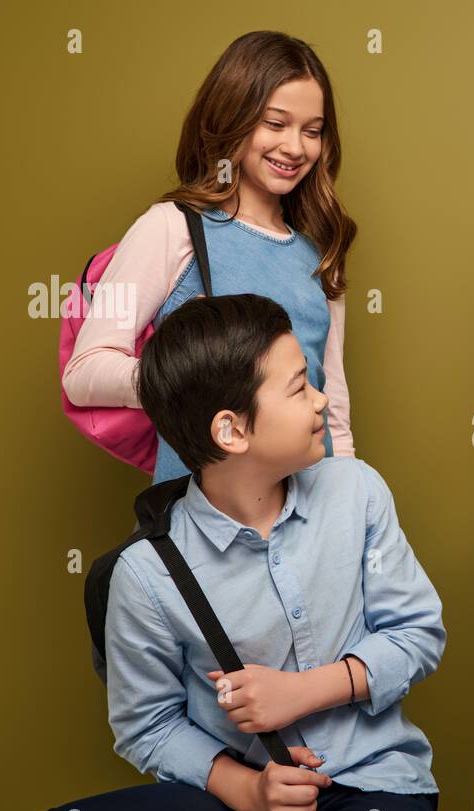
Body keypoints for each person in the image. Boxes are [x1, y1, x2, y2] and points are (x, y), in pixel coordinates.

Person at [12, 293, 443, 811]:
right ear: (231, 431)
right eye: (298, 388)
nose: (320, 401)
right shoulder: (143, 574)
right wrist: (250, 793)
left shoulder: (357, 491)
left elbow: (416, 634)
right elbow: (149, 725)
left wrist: (304, 691)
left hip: (374, 792)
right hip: (241, 808)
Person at [62, 30, 359, 483]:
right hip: (202, 516)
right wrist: (195, 374)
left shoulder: (321, 255)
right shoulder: (169, 228)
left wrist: (352, 506)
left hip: (311, 520)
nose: (296, 147)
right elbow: (83, 374)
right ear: (232, 117)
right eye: (275, 124)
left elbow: (332, 404)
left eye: (312, 131)